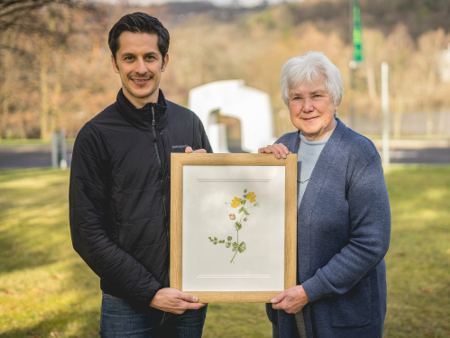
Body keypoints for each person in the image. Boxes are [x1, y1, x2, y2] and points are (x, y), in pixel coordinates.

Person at [69, 13, 212, 338]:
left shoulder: (189, 123)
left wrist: (211, 182)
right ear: (114, 63)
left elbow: (218, 213)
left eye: (150, 57)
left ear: (164, 61)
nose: (141, 68)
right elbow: (87, 232)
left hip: (190, 294)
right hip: (127, 303)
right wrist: (150, 292)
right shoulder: (95, 135)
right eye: (129, 58)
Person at [259, 51, 391, 338]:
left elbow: (372, 242)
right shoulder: (281, 148)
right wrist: (260, 175)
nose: (306, 107)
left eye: (316, 95)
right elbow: (259, 225)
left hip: (344, 317)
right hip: (289, 314)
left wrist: (309, 291)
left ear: (336, 99)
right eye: (297, 97)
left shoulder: (358, 153)